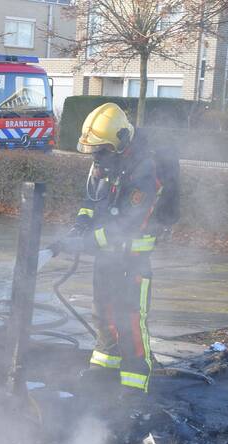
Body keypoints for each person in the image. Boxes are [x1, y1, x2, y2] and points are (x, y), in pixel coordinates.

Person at [54, 103, 165, 395]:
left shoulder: (145, 170)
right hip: (107, 257)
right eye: (94, 150)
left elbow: (127, 225)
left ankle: (134, 383)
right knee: (103, 312)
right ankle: (103, 368)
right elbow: (92, 202)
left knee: (130, 318)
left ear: (120, 143)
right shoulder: (105, 164)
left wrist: (83, 242)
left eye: (101, 150)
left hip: (133, 260)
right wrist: (80, 224)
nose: (96, 156)